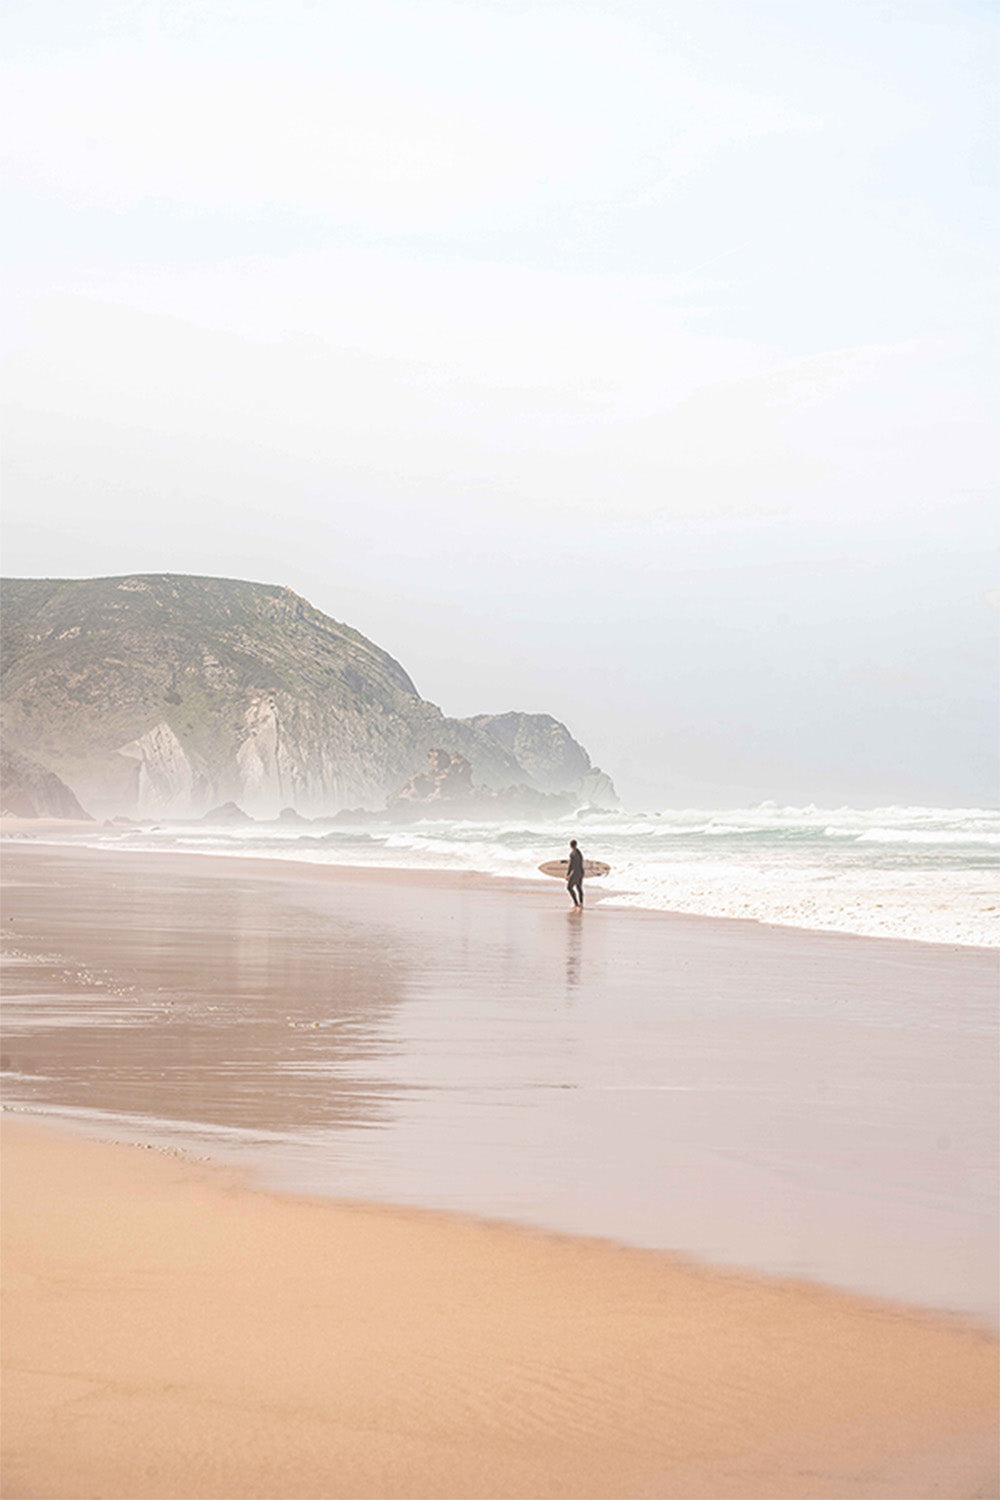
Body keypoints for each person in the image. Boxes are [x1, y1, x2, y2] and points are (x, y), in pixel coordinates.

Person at [566, 839, 584, 909]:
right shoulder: (579, 852)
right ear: (576, 845)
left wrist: (568, 874)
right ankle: (581, 903)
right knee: (579, 888)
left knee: (569, 887)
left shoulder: (572, 854)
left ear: (570, 846)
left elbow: (571, 865)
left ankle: (576, 903)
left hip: (576, 872)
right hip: (581, 872)